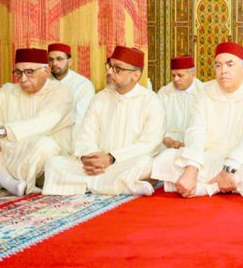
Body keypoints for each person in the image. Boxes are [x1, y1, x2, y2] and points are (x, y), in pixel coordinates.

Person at [152, 42, 243, 198]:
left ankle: (205, 188)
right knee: (166, 158)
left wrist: (228, 169)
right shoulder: (204, 91)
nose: (223, 71)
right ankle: (231, 184)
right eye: (218, 66)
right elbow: (196, 131)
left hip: (242, 159)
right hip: (208, 157)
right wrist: (191, 169)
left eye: (230, 65)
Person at [42, 46, 165, 196]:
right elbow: (85, 134)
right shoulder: (100, 98)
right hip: (97, 165)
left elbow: (149, 144)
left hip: (124, 162)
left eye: (117, 69)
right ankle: (120, 186)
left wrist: (112, 158)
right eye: (110, 66)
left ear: (135, 75)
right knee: (53, 163)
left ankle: (90, 185)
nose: (109, 72)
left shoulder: (151, 101)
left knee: (146, 164)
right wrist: (89, 157)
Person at [0, 48, 73, 196]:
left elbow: (43, 122)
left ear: (46, 71)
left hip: (37, 155)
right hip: (9, 150)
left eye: (30, 72)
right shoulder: (9, 90)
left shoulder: (61, 93)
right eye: (18, 72)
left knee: (45, 145)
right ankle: (4, 179)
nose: (22, 79)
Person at [157, 55, 202, 150]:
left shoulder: (203, 92)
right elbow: (156, 122)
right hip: (166, 145)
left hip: (195, 147)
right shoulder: (163, 93)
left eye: (180, 75)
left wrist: (191, 144)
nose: (175, 79)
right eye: (173, 75)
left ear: (192, 74)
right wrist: (168, 141)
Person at [47, 43, 95, 126]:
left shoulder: (83, 85)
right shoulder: (44, 82)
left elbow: (80, 117)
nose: (54, 63)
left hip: (72, 133)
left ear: (69, 62)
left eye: (59, 59)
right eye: (51, 59)